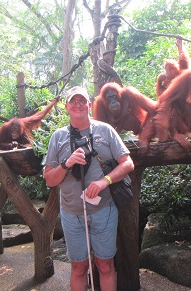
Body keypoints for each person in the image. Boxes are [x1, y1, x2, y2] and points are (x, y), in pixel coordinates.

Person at [43, 86, 134, 291]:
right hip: (71, 213)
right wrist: (66, 163)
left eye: (82, 101)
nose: (78, 105)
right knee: (78, 267)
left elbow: (127, 163)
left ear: (89, 105)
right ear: (66, 107)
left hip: (104, 210)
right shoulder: (58, 137)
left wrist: (105, 181)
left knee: (105, 264)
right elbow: (49, 180)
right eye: (73, 101)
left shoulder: (105, 130)